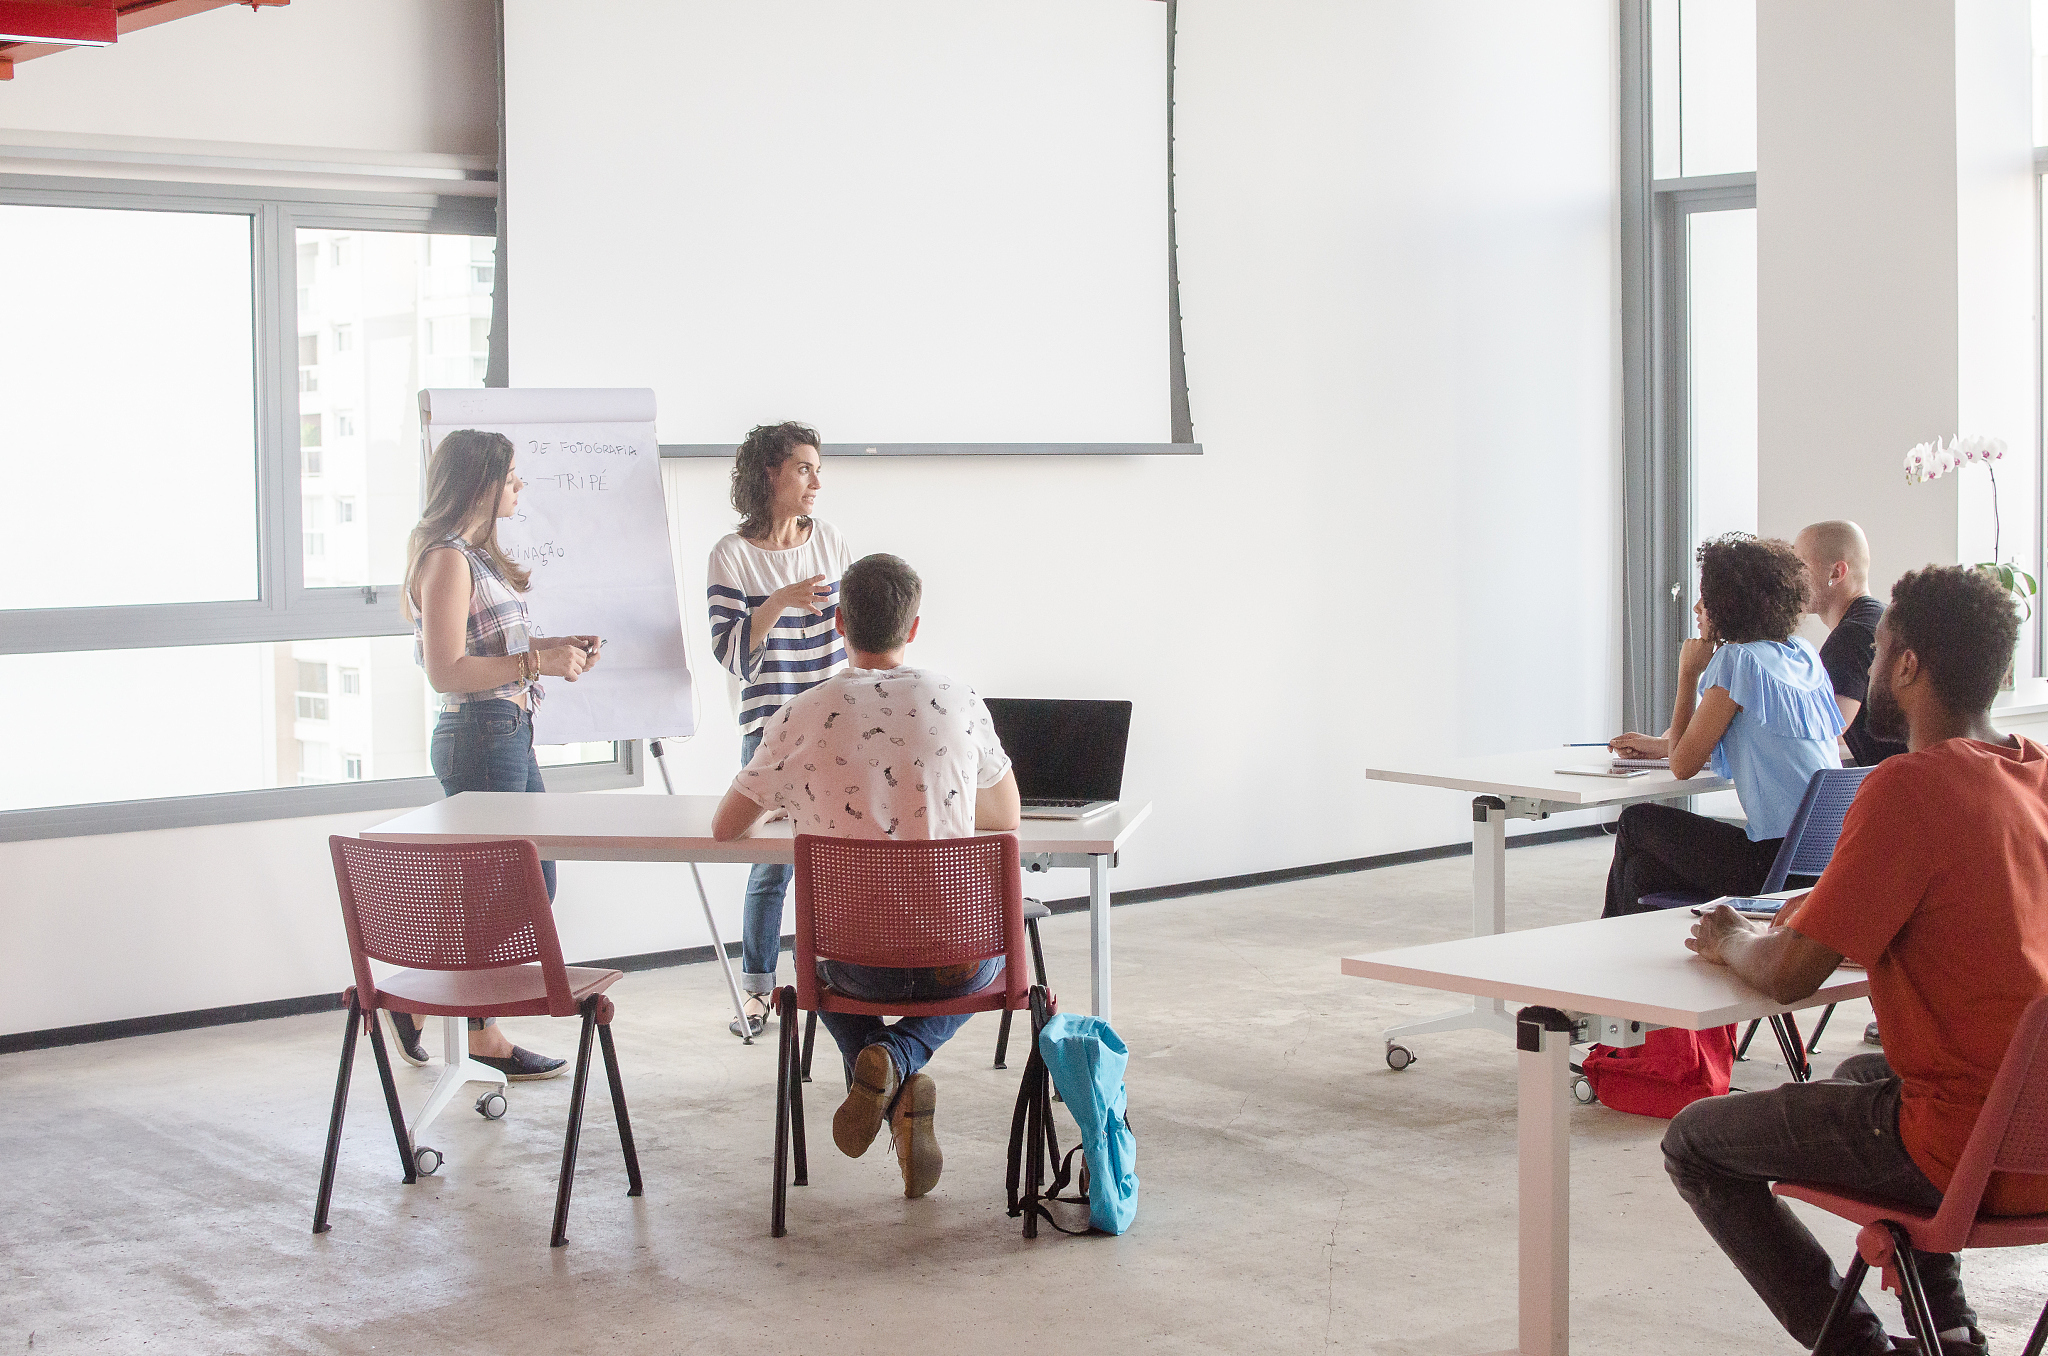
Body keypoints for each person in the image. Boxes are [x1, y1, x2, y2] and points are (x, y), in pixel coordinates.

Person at [1664, 564, 2048, 1356]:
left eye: (1877, 653)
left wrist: (1732, 938)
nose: (1868, 667)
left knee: (1696, 1142)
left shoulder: (1908, 787)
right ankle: (1949, 1330)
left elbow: (1787, 975)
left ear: (1907, 666)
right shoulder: (2034, 774)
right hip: (2036, 1129)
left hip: (1966, 1151)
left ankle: (1860, 1352)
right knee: (1861, 1079)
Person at [711, 553, 1020, 1199]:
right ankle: (902, 1061)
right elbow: (1004, 813)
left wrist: (794, 793)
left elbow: (726, 826)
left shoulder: (800, 713)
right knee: (995, 957)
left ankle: (887, 1066)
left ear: (840, 622)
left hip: (855, 965)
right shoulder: (958, 699)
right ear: (912, 628)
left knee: (812, 965)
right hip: (953, 961)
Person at [390, 428, 605, 1081]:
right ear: (482, 483)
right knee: (518, 883)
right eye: (512, 477)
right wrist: (539, 660)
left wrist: (551, 645)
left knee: (517, 882)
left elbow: (486, 646)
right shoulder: (447, 559)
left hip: (506, 728)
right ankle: (444, 1013)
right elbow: (448, 670)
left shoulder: (473, 558)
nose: (520, 487)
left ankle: (455, 1020)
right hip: (482, 731)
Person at [1604, 534, 1845, 917]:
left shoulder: (1737, 661)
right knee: (1641, 871)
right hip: (1825, 857)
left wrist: (1687, 674)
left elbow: (1683, 767)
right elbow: (1755, 738)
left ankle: (1604, 958)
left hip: (1771, 863)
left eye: (1707, 598)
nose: (1698, 607)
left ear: (1731, 605)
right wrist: (1658, 745)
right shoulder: (1803, 655)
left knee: (1636, 820)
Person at [706, 423, 854, 1038]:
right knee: (771, 866)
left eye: (817, 469)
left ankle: (841, 978)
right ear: (770, 473)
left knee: (841, 858)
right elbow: (731, 653)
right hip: (768, 727)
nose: (816, 481)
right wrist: (778, 602)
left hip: (836, 727)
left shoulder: (833, 542)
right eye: (802, 468)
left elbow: (854, 634)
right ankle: (759, 991)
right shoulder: (731, 555)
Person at [1794, 519, 1908, 768]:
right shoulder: (1879, 617)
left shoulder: (1851, 636)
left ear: (1836, 572)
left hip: (1904, 792)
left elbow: (1821, 737)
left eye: (1800, 565)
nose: (1791, 577)